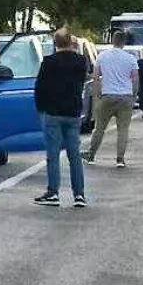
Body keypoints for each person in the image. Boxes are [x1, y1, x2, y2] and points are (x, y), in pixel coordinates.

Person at [33, 28, 90, 208]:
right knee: (74, 155)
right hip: (73, 113)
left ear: (55, 43)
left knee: (53, 155)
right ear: (71, 42)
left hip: (53, 113)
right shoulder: (81, 62)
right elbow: (81, 82)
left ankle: (53, 192)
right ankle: (79, 194)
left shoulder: (49, 62)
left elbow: (40, 87)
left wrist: (41, 108)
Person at [86, 30, 139, 168]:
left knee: (99, 128)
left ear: (112, 40)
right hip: (125, 97)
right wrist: (134, 96)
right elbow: (135, 79)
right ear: (124, 42)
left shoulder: (102, 57)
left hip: (108, 96)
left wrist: (97, 96)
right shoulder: (131, 59)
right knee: (123, 130)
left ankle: (91, 155)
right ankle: (120, 159)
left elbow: (96, 77)